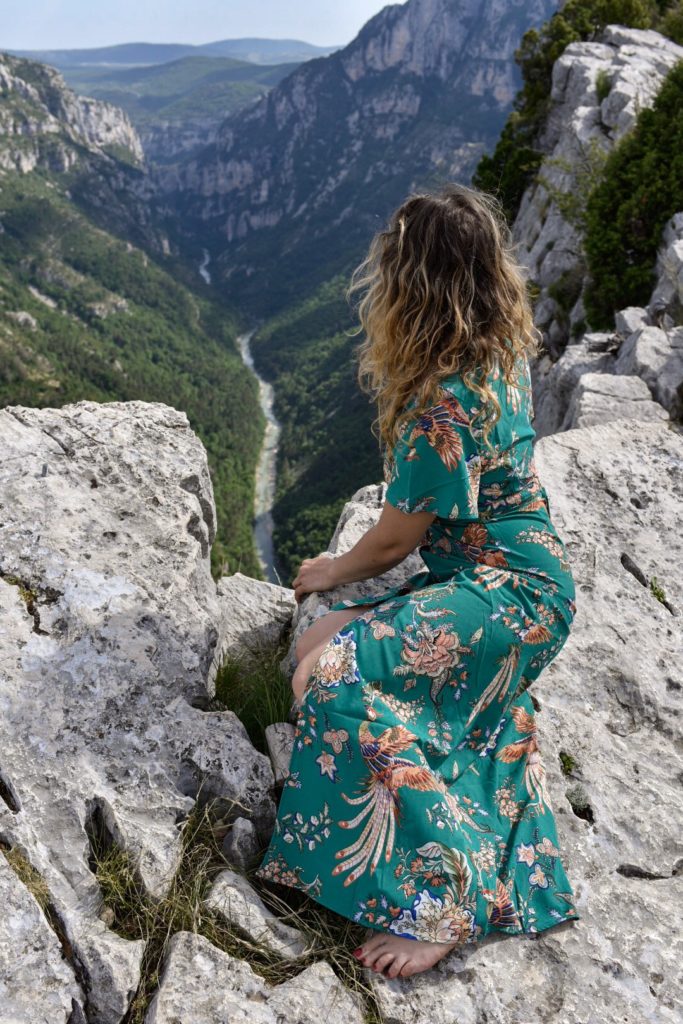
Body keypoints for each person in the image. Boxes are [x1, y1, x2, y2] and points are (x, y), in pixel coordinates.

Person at [254, 182, 580, 980]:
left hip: (504, 598)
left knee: (324, 681)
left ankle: (443, 896)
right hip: (518, 588)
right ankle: (463, 744)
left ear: (412, 284)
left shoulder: (442, 401)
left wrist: (332, 568)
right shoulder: (495, 353)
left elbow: (396, 538)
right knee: (320, 639)